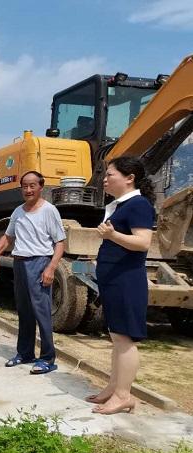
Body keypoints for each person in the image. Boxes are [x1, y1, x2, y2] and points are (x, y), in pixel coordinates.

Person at [86, 156, 155, 415]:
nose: (105, 179)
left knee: (125, 338)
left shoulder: (138, 205)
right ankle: (112, 389)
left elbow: (143, 242)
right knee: (116, 336)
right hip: (114, 278)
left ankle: (124, 395)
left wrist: (112, 235)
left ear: (129, 178)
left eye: (110, 174)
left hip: (126, 279)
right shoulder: (119, 205)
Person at [0, 171, 66, 375]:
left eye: (32, 185)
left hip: (39, 263)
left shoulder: (49, 211)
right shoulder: (18, 212)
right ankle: (25, 353)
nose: (28, 190)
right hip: (20, 263)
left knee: (42, 312)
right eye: (24, 186)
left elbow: (60, 243)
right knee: (24, 311)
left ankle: (48, 358)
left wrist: (51, 268)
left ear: (41, 187)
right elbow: (8, 237)